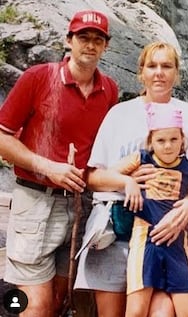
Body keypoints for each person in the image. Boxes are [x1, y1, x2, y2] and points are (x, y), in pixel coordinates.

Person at [73, 41, 188, 317]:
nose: (159, 73)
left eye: (166, 66)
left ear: (177, 73)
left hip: (162, 232)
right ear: (141, 73)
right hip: (115, 228)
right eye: (152, 66)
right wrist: (127, 181)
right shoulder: (119, 114)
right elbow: (93, 177)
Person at [0, 9, 118, 317]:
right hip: (37, 200)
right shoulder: (38, 77)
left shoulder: (110, 90)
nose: (90, 45)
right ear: (69, 40)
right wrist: (48, 166)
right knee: (35, 306)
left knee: (59, 301)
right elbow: (2, 137)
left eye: (97, 39)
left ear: (105, 46)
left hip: (82, 206)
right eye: (83, 37)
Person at [113, 104, 188, 317]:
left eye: (174, 140)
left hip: (176, 246)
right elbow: (108, 175)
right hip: (145, 243)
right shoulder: (141, 159)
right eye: (161, 140)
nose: (168, 146)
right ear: (150, 142)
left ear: (182, 140)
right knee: (136, 310)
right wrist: (128, 181)